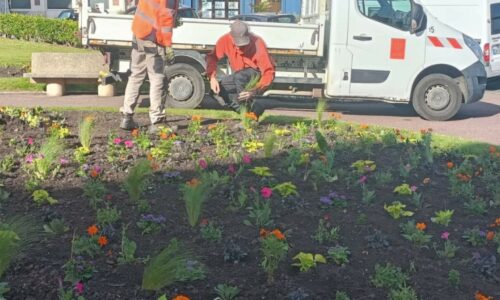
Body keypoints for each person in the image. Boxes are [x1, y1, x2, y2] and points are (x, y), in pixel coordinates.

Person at [120, 0, 178, 133]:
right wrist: (168, 45)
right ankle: (157, 121)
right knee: (157, 78)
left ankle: (126, 117)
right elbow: (165, 17)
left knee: (136, 75)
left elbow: (151, 10)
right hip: (153, 38)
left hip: (139, 34)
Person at [206, 20, 275, 119]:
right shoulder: (225, 40)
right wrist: (212, 78)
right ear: (231, 36)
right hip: (240, 74)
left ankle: (250, 110)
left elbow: (268, 72)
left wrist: (254, 91)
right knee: (220, 88)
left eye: (243, 44)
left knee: (240, 77)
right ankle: (247, 116)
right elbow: (212, 57)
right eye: (238, 43)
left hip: (255, 73)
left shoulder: (257, 42)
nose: (240, 47)